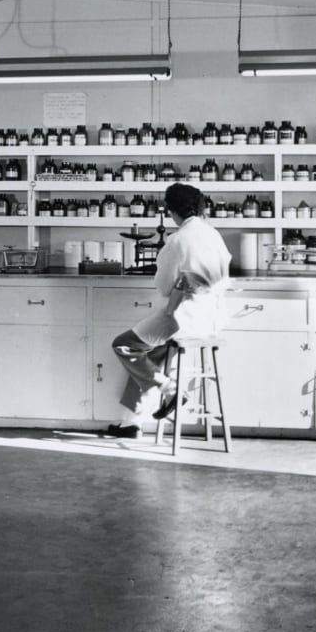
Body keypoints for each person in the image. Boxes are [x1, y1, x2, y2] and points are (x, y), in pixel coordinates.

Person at [102, 181, 233, 439]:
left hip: (183, 318)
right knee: (148, 358)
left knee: (125, 345)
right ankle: (131, 422)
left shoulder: (177, 240)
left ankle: (170, 389)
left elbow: (163, 287)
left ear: (171, 211)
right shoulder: (213, 234)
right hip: (212, 318)